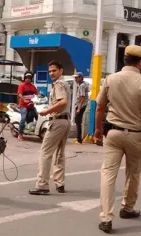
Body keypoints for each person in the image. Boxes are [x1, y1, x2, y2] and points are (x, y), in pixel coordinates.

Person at [95, 45, 141, 233]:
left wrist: (98, 129)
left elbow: (99, 107)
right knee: (133, 173)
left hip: (113, 133)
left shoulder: (110, 79)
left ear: (124, 60)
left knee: (108, 174)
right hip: (136, 135)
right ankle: (127, 208)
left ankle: (106, 218)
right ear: (140, 62)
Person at [29, 60, 71, 195]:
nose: (51, 73)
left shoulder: (59, 84)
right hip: (65, 121)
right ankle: (60, 183)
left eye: (54, 70)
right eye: (50, 71)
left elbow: (63, 101)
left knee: (45, 153)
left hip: (58, 121)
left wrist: (47, 111)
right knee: (59, 153)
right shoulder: (64, 83)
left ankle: (42, 185)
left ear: (61, 71)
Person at [17, 71, 39, 141]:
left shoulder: (33, 86)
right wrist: (24, 99)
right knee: (23, 118)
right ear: (24, 78)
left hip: (31, 105)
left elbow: (37, 93)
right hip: (23, 105)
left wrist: (42, 97)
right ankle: (20, 134)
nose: (28, 79)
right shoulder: (22, 85)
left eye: (29, 78)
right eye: (26, 78)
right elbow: (19, 94)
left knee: (38, 116)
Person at [73, 72, 89, 144]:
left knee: (78, 122)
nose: (75, 79)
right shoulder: (83, 84)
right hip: (82, 104)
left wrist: (79, 108)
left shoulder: (82, 85)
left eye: (76, 77)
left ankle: (79, 139)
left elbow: (83, 97)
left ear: (80, 78)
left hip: (81, 105)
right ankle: (79, 138)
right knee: (77, 121)